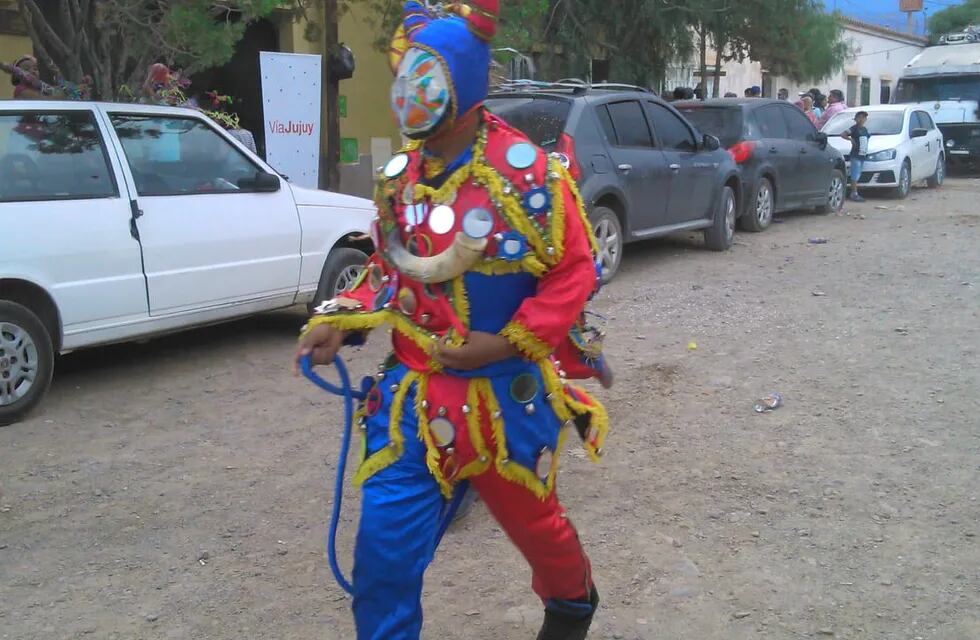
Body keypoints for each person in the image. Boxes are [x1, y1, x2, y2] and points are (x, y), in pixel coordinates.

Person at [294, 2, 610, 639]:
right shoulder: (401, 180)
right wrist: (344, 317)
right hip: (410, 406)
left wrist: (506, 342)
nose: (411, 96)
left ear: (462, 86)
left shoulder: (530, 177)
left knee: (539, 531)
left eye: (426, 78)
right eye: (406, 77)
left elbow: (575, 268)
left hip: (505, 409)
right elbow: (388, 268)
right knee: (382, 560)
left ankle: (572, 606)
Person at [841, 110, 870, 202]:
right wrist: (850, 139)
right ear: (856, 119)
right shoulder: (854, 129)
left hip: (862, 154)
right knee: (855, 174)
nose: (862, 119)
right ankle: (854, 193)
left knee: (857, 174)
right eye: (860, 117)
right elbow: (843, 134)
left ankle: (854, 192)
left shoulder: (864, 129)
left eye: (863, 117)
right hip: (856, 154)